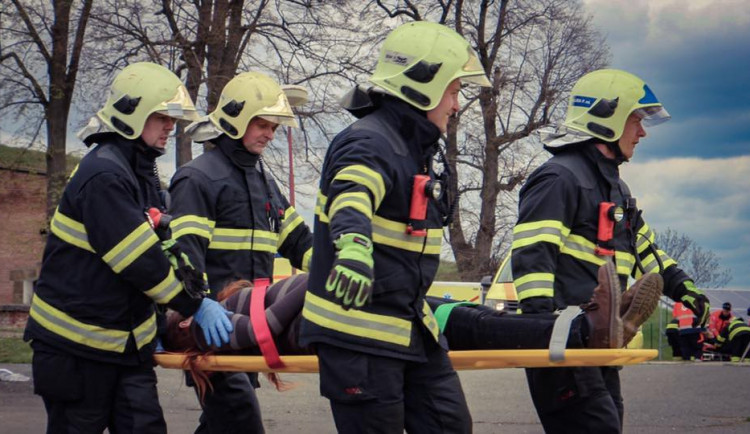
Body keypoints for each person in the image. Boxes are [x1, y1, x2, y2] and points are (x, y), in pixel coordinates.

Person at [296, 21, 494, 433]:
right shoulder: (369, 140)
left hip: (411, 328)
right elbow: (352, 192)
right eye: (454, 91)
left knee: (451, 424)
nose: (456, 106)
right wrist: (353, 246)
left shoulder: (414, 149)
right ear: (424, 85)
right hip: (358, 337)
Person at [23, 62, 233, 433]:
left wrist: (183, 298)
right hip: (75, 349)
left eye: (172, 117)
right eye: (161, 116)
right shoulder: (104, 175)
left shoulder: (136, 173)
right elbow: (139, 261)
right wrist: (195, 306)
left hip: (124, 349)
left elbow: (165, 247)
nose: (171, 125)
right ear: (132, 114)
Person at [511, 68, 711, 433]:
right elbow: (532, 254)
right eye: (636, 120)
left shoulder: (615, 189)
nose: (642, 132)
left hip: (597, 343)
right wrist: (543, 327)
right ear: (607, 118)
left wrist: (684, 289)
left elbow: (646, 249)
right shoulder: (558, 178)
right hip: (564, 344)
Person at [163, 261, 660, 395]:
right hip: (335, 322)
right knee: (471, 324)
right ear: (183, 326)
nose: (190, 305)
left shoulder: (212, 310)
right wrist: (308, 280)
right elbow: (263, 331)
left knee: (482, 319)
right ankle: (589, 328)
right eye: (181, 311)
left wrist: (305, 280)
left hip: (339, 307)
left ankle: (594, 324)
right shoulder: (211, 329)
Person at [168, 71, 313, 433]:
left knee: (223, 423)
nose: (269, 133)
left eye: (274, 127)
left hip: (248, 327)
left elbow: (299, 242)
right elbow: (186, 256)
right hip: (211, 326)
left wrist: (334, 269)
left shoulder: (264, 182)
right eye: (261, 124)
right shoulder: (197, 178)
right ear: (234, 119)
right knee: (240, 418)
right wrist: (198, 306)